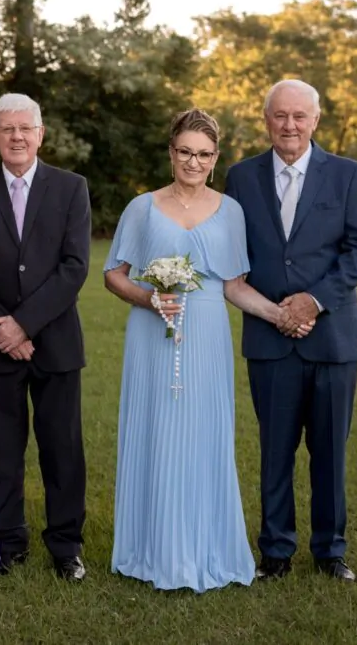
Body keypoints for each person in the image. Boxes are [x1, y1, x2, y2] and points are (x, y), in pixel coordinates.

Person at [103, 108, 316, 592]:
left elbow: (233, 286)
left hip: (207, 335)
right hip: (150, 335)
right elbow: (114, 274)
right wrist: (149, 298)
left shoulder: (230, 211)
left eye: (203, 154)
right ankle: (149, 549)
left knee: (204, 438)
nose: (193, 162)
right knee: (155, 432)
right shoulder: (142, 207)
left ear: (215, 158)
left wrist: (281, 315)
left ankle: (206, 548)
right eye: (184, 152)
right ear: (171, 152)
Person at [225, 80, 357, 582]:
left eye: (299, 116)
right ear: (266, 119)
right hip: (269, 340)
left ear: (316, 120)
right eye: (280, 116)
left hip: (333, 342)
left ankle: (331, 552)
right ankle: (276, 551)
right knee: (275, 450)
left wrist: (312, 301)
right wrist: (276, 311)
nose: (289, 126)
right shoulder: (241, 177)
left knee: (330, 451)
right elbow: (234, 254)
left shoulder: (349, 175)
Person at [0, 93, 90, 581]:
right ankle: (5, 543)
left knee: (62, 449)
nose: (17, 136)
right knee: (1, 451)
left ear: (40, 134)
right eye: (7, 129)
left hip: (54, 342)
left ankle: (66, 545)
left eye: (25, 128)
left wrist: (24, 325)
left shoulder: (71, 187)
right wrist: (1, 327)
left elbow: (74, 268)